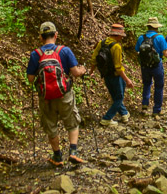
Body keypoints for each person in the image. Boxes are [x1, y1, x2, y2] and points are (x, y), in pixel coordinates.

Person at [26, 21, 87, 167]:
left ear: (41, 37)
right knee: (72, 122)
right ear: (56, 35)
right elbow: (75, 72)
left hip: (46, 97)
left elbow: (30, 78)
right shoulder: (64, 51)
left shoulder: (36, 54)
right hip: (64, 94)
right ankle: (73, 152)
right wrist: (82, 70)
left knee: (51, 125)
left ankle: (57, 156)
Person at [88, 23, 135, 126]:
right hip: (116, 76)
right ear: (118, 35)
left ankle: (124, 114)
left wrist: (91, 72)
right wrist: (127, 80)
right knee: (119, 98)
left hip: (106, 75)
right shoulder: (116, 46)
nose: (122, 38)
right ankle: (107, 118)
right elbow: (118, 67)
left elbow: (94, 59)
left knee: (115, 96)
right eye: (121, 36)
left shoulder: (101, 43)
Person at [134, 17, 167, 115]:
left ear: (148, 26)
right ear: (156, 27)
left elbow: (137, 51)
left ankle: (144, 106)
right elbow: (165, 53)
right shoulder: (160, 37)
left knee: (146, 84)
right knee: (159, 86)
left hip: (145, 66)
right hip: (157, 66)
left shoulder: (141, 38)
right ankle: (156, 110)